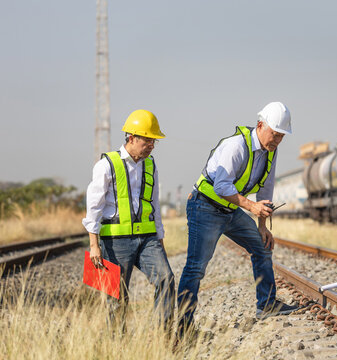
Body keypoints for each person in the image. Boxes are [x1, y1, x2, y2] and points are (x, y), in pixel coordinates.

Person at [177, 101, 300, 334]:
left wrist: (262, 226)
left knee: (262, 246)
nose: (276, 140)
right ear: (260, 125)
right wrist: (251, 207)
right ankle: (183, 327)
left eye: (281, 136)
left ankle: (267, 305)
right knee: (196, 267)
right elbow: (222, 186)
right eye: (274, 134)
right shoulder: (236, 146)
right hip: (204, 206)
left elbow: (265, 191)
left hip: (230, 210)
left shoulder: (270, 152)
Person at [82, 109, 175, 329]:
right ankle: (117, 344)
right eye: (147, 139)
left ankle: (165, 335)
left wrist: (160, 239)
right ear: (131, 138)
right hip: (115, 242)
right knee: (117, 296)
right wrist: (94, 246)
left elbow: (155, 205)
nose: (151, 145)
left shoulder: (151, 165)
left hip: (147, 240)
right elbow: (93, 208)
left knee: (166, 279)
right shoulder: (106, 165)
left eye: (154, 140)